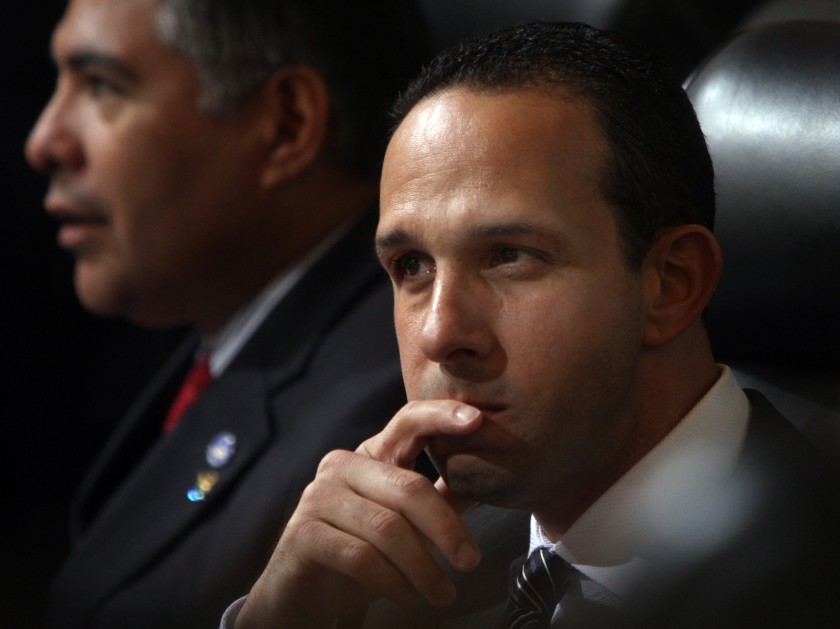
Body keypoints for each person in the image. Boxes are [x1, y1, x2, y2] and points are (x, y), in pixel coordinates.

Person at [221, 21, 818, 628]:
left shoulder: (807, 573)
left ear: (671, 284)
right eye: (412, 267)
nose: (438, 333)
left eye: (509, 255)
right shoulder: (385, 580)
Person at [24, 0, 430, 627]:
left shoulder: (381, 417)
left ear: (286, 125)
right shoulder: (237, 331)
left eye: (102, 85)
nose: (44, 142)